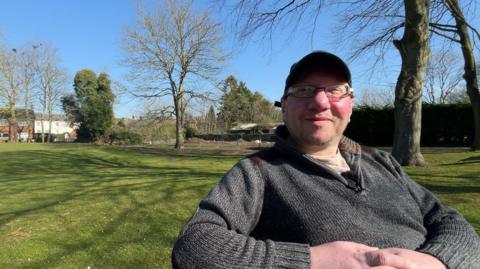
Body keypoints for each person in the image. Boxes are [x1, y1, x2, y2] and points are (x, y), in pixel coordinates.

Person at [172, 51, 480, 269]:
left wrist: (435, 261)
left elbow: (449, 222)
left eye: (334, 91)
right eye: (304, 90)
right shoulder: (257, 172)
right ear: (284, 106)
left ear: (350, 105)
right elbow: (194, 246)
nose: (320, 102)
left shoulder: (384, 162)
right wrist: (314, 261)